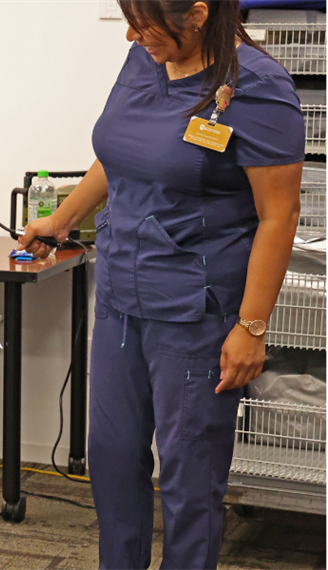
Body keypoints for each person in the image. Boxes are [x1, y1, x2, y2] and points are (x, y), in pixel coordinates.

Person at [19, 1, 304, 568]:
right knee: (113, 457)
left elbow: (280, 214)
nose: (131, 33)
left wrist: (251, 326)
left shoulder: (259, 87)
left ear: (197, 13)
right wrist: (62, 219)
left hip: (197, 309)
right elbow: (119, 155)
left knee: (189, 474)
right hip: (122, 296)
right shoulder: (144, 58)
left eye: (143, 21)